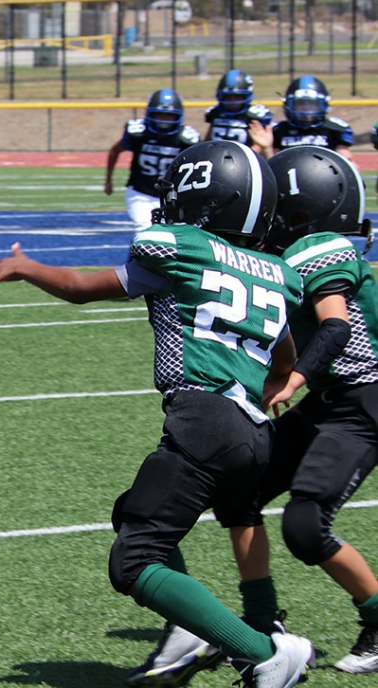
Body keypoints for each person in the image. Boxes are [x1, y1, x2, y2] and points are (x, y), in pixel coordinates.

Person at [0, 140, 315, 688]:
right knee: (132, 510)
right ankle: (192, 630)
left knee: (133, 560)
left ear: (205, 202)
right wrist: (268, 388)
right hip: (254, 432)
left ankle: (264, 653)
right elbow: (286, 358)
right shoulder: (275, 271)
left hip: (204, 420)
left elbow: (85, 289)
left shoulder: (180, 247)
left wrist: (26, 266)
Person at [215, 146, 378, 675]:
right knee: (238, 491)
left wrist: (294, 378)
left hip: (364, 401)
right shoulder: (282, 256)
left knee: (305, 526)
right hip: (326, 401)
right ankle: (261, 623)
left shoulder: (319, 247)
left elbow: (337, 325)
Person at [105, 88, 200, 230]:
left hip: (173, 197)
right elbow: (115, 150)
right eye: (159, 115)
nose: (164, 121)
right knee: (145, 230)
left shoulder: (186, 139)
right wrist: (108, 181)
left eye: (169, 116)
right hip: (140, 193)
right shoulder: (139, 133)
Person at [272, 75, 353, 162]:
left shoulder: (333, 129)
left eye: (311, 105)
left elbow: (347, 163)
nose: (306, 110)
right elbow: (270, 163)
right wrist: (266, 147)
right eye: (300, 105)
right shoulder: (277, 130)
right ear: (288, 105)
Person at [203, 69, 274, 159]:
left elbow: (260, 144)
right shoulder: (215, 113)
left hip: (244, 159)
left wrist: (240, 157)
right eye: (228, 97)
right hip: (215, 157)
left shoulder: (253, 115)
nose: (232, 101)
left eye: (237, 97)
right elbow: (207, 140)